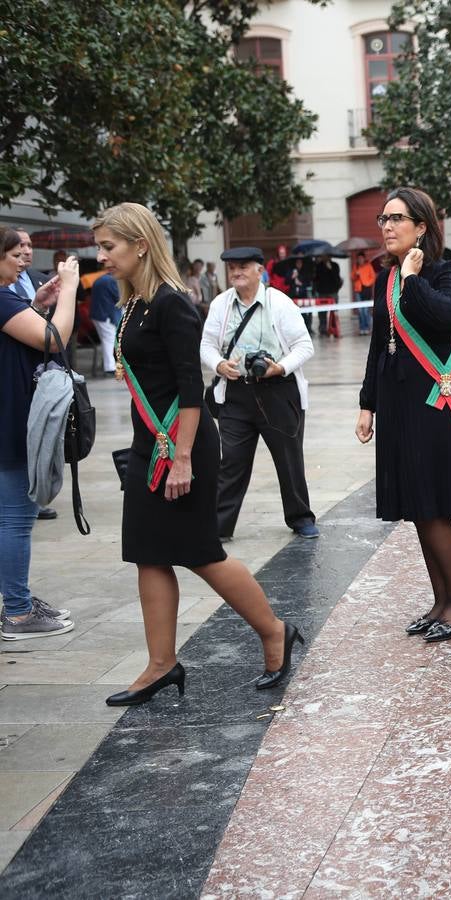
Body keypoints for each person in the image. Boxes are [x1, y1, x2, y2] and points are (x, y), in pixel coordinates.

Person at [94, 203, 300, 705]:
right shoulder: (135, 305)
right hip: (150, 445)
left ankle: (275, 632)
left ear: (140, 244)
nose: (101, 256)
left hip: (183, 443)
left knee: (200, 552)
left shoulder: (172, 304)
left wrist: (181, 457)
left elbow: (191, 388)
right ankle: (161, 664)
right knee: (147, 553)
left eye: (108, 246)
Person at [357, 187, 451, 642]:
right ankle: (441, 600)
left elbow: (448, 317)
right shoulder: (382, 279)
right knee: (415, 509)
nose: (387, 227)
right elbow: (377, 345)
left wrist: (412, 279)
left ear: (421, 227)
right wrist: (367, 403)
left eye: (397, 219)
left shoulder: (445, 272)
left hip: (435, 405)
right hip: (398, 406)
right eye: (382, 220)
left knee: (434, 507)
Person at [201, 246, 318, 542]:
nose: (236, 272)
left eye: (243, 266)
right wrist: (219, 364)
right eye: (231, 268)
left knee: (289, 460)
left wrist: (280, 367)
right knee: (231, 461)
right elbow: (206, 345)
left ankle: (301, 517)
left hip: (279, 391)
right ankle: (217, 526)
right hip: (236, 394)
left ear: (260, 270)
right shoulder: (220, 304)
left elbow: (305, 346)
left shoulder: (280, 303)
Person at [0, 227, 78, 640]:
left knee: (9, 518)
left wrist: (34, 304)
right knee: (15, 519)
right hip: (10, 423)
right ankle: (16, 612)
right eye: (12, 253)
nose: (21, 259)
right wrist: (68, 290)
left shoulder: (8, 297)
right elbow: (54, 339)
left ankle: (19, 601)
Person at [90, 269, 121, 376]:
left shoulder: (99, 280)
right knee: (109, 339)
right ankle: (110, 367)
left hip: (97, 314)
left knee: (107, 340)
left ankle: (109, 364)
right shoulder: (111, 281)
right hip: (106, 315)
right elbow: (119, 297)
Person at [312, 254, 342, 336]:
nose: (325, 258)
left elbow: (337, 279)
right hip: (322, 292)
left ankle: (334, 328)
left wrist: (331, 269)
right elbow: (316, 279)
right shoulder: (318, 266)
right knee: (322, 312)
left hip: (333, 291)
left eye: (327, 256)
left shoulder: (335, 266)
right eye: (323, 257)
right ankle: (323, 329)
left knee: (334, 311)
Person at [351, 251, 376, 336]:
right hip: (358, 290)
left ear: (364, 258)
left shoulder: (368, 266)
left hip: (366, 290)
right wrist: (356, 274)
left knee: (365, 311)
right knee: (360, 311)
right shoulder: (356, 267)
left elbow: (373, 277)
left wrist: (367, 283)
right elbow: (352, 278)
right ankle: (362, 328)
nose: (360, 260)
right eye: (358, 259)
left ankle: (367, 327)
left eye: (361, 258)